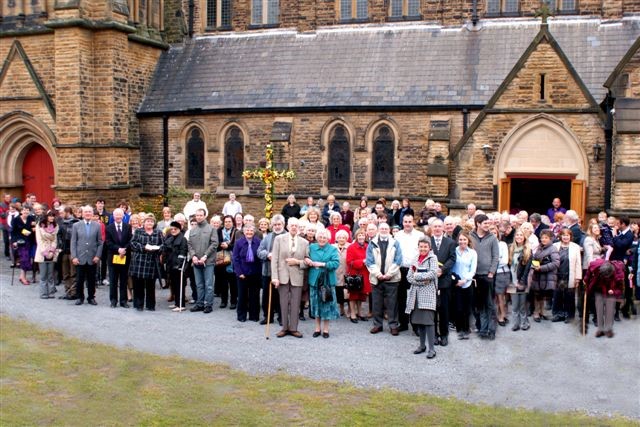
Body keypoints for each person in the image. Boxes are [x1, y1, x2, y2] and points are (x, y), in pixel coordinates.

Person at [271, 217, 309, 338]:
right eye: (291, 225)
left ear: (299, 228)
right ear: (287, 227)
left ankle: (293, 328)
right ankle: (284, 328)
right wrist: (275, 277)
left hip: (297, 276)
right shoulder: (279, 239)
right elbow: (275, 260)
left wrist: (297, 262)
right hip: (282, 276)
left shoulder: (304, 242)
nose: (293, 227)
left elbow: (307, 262)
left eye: (296, 226)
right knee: (283, 302)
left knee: (295, 303)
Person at [366, 222, 403, 335]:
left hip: (391, 278)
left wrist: (389, 274)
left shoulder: (395, 243)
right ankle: (377, 325)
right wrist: (378, 274)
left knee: (392, 304)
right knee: (377, 303)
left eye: (386, 228)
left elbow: (398, 260)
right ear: (378, 230)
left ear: (389, 230)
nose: (384, 230)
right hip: (377, 278)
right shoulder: (372, 243)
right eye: (381, 228)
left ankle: (393, 325)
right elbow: (369, 261)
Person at [406, 237, 439, 358]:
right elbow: (409, 277)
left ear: (429, 247)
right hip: (415, 294)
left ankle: (432, 349)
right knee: (419, 321)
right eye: (421, 246)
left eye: (425, 246)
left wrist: (417, 276)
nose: (423, 249)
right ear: (418, 247)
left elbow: (432, 273)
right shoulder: (415, 258)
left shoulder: (433, 258)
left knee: (429, 322)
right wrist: (420, 280)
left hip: (428, 294)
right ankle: (422, 346)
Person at [305, 228, 341, 338]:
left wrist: (322, 264)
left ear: (328, 239)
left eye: (324, 237)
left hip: (328, 280)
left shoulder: (332, 249)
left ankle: (326, 329)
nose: (322, 239)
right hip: (315, 280)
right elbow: (305, 257)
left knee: (327, 304)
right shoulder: (311, 247)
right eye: (320, 237)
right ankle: (317, 328)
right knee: (316, 304)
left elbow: (336, 263)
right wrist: (307, 260)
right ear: (317, 238)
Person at [469, 214, 499, 340]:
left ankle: (491, 329)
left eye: (488, 223)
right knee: (477, 303)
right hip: (474, 276)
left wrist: (491, 272)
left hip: (487, 275)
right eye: (485, 223)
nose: (488, 225)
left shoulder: (492, 238)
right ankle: (482, 327)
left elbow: (495, 256)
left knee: (489, 304)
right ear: (478, 224)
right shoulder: (470, 236)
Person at [395, 214, 424, 333]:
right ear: (402, 222)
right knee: (401, 298)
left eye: (409, 221)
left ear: (413, 222)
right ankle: (403, 323)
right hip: (401, 269)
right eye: (405, 221)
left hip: (415, 270)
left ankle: (416, 325)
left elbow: (423, 252)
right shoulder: (397, 235)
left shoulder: (419, 235)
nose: (407, 224)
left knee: (415, 298)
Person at [429, 218, 456, 346]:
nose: (438, 229)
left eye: (440, 226)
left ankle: (444, 334)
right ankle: (434, 334)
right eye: (435, 227)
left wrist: (442, 270)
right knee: (432, 308)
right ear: (432, 228)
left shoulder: (450, 242)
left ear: (443, 228)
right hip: (430, 280)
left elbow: (452, 259)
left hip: (444, 280)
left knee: (444, 309)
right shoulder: (427, 242)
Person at [70, 205, 104, 305]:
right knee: (79, 279)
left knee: (92, 279)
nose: (88, 213)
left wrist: (98, 255)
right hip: (80, 257)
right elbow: (73, 242)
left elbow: (100, 242)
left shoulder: (97, 226)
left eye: (89, 212)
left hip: (92, 257)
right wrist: (74, 256)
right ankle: (80, 297)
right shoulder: (76, 225)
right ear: (82, 214)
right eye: (86, 212)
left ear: (92, 214)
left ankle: (91, 297)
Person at [129, 214, 163, 311]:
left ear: (154, 223)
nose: (149, 223)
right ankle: (139, 304)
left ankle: (150, 305)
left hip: (152, 261)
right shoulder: (138, 231)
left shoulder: (158, 232)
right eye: (148, 221)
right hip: (139, 261)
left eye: (151, 221)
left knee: (151, 285)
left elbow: (164, 245)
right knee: (138, 284)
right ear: (144, 222)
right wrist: (143, 247)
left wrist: (158, 248)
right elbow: (132, 243)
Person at [257, 215, 286, 325]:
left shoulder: (288, 236)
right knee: (266, 295)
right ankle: (267, 316)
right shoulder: (268, 237)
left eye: (279, 224)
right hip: (267, 271)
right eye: (275, 225)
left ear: (283, 225)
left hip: (282, 272)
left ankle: (281, 317)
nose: (277, 227)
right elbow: (259, 251)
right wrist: (268, 254)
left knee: (281, 296)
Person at [188, 209, 218, 313]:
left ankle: (208, 304)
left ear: (205, 216)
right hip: (196, 261)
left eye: (201, 215)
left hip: (208, 261)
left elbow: (214, 244)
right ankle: (200, 303)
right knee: (199, 284)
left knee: (208, 284)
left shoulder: (211, 229)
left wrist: (205, 256)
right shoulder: (193, 230)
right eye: (197, 215)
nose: (199, 217)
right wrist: (193, 256)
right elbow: (189, 244)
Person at [585, 259, 625, 338]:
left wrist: (613, 291)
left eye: (607, 276)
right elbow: (588, 274)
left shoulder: (619, 274)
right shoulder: (595, 265)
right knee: (595, 300)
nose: (605, 277)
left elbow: (620, 290)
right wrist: (585, 280)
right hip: (598, 283)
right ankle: (596, 320)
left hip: (610, 287)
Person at [232, 225, 262, 322]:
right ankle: (241, 315)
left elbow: (261, 257)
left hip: (255, 272)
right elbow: (235, 258)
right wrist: (239, 272)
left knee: (255, 295)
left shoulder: (258, 242)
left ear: (254, 232)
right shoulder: (238, 243)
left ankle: (254, 316)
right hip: (242, 272)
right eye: (247, 231)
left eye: (251, 231)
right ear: (244, 232)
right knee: (242, 295)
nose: (249, 232)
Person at [552, 229, 582, 323]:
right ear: (560, 236)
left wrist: (578, 278)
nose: (565, 237)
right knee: (557, 295)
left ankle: (569, 316)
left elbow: (578, 263)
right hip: (557, 275)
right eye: (563, 235)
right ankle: (557, 314)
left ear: (570, 236)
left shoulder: (575, 247)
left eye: (567, 235)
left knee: (569, 296)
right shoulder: (554, 246)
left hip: (570, 275)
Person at [530, 229, 559, 322]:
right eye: (542, 237)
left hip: (547, 276)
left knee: (543, 295)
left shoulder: (553, 248)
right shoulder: (539, 247)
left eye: (546, 238)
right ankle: (536, 312)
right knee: (538, 294)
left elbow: (556, 263)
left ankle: (541, 312)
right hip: (538, 275)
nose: (543, 239)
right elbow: (535, 259)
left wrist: (541, 268)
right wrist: (534, 265)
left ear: (550, 238)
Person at [105, 208, 132, 308]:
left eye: (120, 215)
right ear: (113, 216)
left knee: (124, 280)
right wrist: (118, 249)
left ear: (123, 216)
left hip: (125, 257)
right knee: (113, 280)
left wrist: (124, 249)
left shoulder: (128, 227)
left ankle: (123, 301)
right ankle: (113, 300)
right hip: (113, 257)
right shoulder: (109, 228)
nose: (118, 217)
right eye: (116, 215)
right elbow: (108, 242)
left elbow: (130, 240)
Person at [452, 231, 477, 340]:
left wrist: (465, 280)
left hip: (467, 283)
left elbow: (473, 269)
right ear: (458, 241)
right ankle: (459, 329)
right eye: (460, 239)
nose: (462, 241)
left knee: (467, 308)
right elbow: (451, 266)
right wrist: (455, 280)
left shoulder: (472, 253)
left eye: (464, 240)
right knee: (458, 308)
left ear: (468, 241)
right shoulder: (454, 251)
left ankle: (466, 329)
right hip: (456, 283)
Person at [508, 228, 532, 331]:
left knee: (522, 305)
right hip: (512, 281)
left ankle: (524, 322)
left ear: (524, 238)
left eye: (521, 235)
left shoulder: (527, 251)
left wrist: (521, 282)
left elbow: (527, 269)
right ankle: (515, 323)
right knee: (514, 305)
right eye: (517, 235)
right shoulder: (511, 248)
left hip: (522, 281)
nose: (518, 237)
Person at [345, 228, 371, 323]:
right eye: (359, 235)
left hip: (365, 273)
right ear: (356, 236)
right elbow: (349, 261)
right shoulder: (351, 247)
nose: (361, 237)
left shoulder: (368, 246)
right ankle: (353, 313)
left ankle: (359, 312)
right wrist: (362, 261)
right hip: (354, 273)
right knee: (353, 294)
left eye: (363, 235)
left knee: (362, 295)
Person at [162, 221, 188, 311]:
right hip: (170, 265)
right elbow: (165, 248)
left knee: (179, 285)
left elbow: (183, 252)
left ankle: (181, 304)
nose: (173, 230)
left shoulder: (183, 239)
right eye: (172, 229)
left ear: (179, 229)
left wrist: (179, 264)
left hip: (178, 266)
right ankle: (177, 303)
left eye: (175, 229)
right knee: (173, 285)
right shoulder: (171, 239)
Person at [35, 210, 59, 298]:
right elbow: (39, 240)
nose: (52, 217)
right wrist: (45, 252)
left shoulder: (55, 226)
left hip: (51, 251)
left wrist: (52, 251)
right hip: (42, 252)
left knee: (50, 274)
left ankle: (51, 292)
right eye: (50, 216)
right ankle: (43, 293)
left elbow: (55, 240)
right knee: (43, 275)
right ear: (46, 216)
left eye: (53, 216)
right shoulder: (40, 226)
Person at [490, 224, 510, 327]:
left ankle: (502, 315)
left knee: (501, 295)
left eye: (495, 233)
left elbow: (504, 260)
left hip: (502, 272)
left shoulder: (502, 244)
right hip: (490, 273)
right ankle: (496, 314)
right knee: (494, 297)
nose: (493, 235)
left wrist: (493, 262)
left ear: (498, 234)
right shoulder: (487, 244)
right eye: (491, 233)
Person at [216, 215, 237, 309]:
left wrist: (228, 246)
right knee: (223, 281)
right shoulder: (219, 231)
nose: (227, 223)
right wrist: (222, 245)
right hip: (221, 258)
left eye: (229, 221)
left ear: (232, 222)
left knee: (232, 282)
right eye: (226, 222)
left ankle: (233, 301)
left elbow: (237, 244)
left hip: (232, 259)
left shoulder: (236, 231)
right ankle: (223, 301)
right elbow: (216, 242)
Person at [11, 206, 35, 285]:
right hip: (20, 242)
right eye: (24, 210)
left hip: (29, 241)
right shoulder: (16, 219)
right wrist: (14, 241)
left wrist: (33, 228)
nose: (26, 212)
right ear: (21, 211)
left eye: (27, 210)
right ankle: (23, 277)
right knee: (24, 259)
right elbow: (13, 232)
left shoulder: (31, 218)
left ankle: (22, 276)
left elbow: (34, 228)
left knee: (27, 259)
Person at [333, 229, 350, 317]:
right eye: (339, 237)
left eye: (343, 237)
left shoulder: (350, 246)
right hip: (336, 272)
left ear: (346, 238)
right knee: (338, 291)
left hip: (347, 272)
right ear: (337, 238)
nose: (341, 239)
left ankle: (349, 309)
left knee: (347, 291)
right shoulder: (333, 247)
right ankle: (341, 308)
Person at [0, 193, 11, 258]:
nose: (8, 199)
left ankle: (13, 253)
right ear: (4, 198)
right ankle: (7, 253)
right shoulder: (1, 205)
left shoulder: (12, 204)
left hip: (11, 225)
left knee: (12, 240)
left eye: (9, 197)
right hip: (4, 225)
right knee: (6, 240)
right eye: (7, 197)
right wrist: (8, 211)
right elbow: (2, 215)